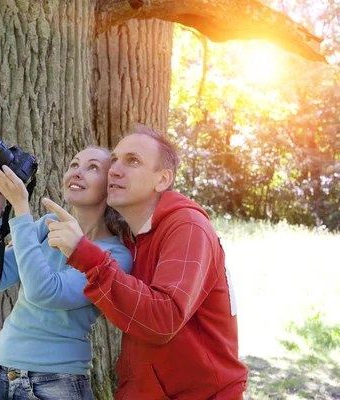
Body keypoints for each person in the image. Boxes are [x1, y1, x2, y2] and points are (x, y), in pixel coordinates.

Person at [43, 125, 248, 399]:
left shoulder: (188, 227)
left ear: (162, 180)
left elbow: (164, 319)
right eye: (114, 159)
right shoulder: (130, 239)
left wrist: (85, 255)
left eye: (133, 161)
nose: (114, 170)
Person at [0, 146, 133, 400]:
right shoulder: (46, 226)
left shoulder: (115, 257)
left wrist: (21, 209)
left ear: (111, 186)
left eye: (92, 168)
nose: (77, 172)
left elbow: (45, 292)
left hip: (55, 382)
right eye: (74, 164)